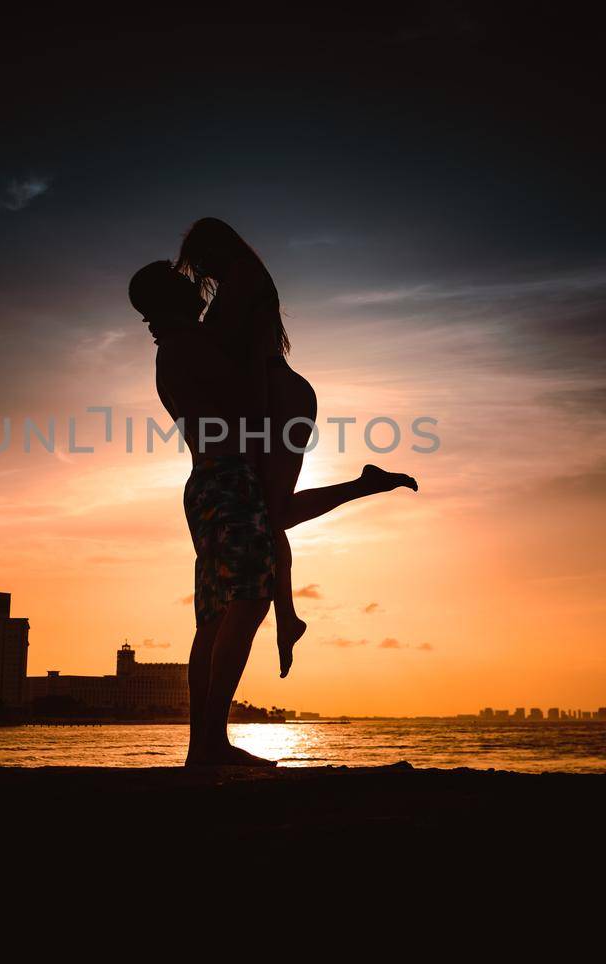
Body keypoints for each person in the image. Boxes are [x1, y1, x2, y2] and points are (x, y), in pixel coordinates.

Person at [175, 218, 418, 678]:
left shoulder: (244, 278)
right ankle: (288, 618)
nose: (200, 268)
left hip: (276, 398)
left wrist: (255, 418)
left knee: (274, 513)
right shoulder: (237, 280)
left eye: (201, 257)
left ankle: (362, 487)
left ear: (217, 247)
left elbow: (255, 356)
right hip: (271, 397)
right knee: (267, 515)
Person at [129, 260, 278, 766]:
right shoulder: (187, 345)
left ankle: (204, 745)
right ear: (169, 301)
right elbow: (250, 404)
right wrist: (258, 348)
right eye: (182, 283)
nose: (194, 285)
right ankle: (210, 741)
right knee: (252, 598)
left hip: (209, 483)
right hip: (228, 479)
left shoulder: (174, 349)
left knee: (216, 615)